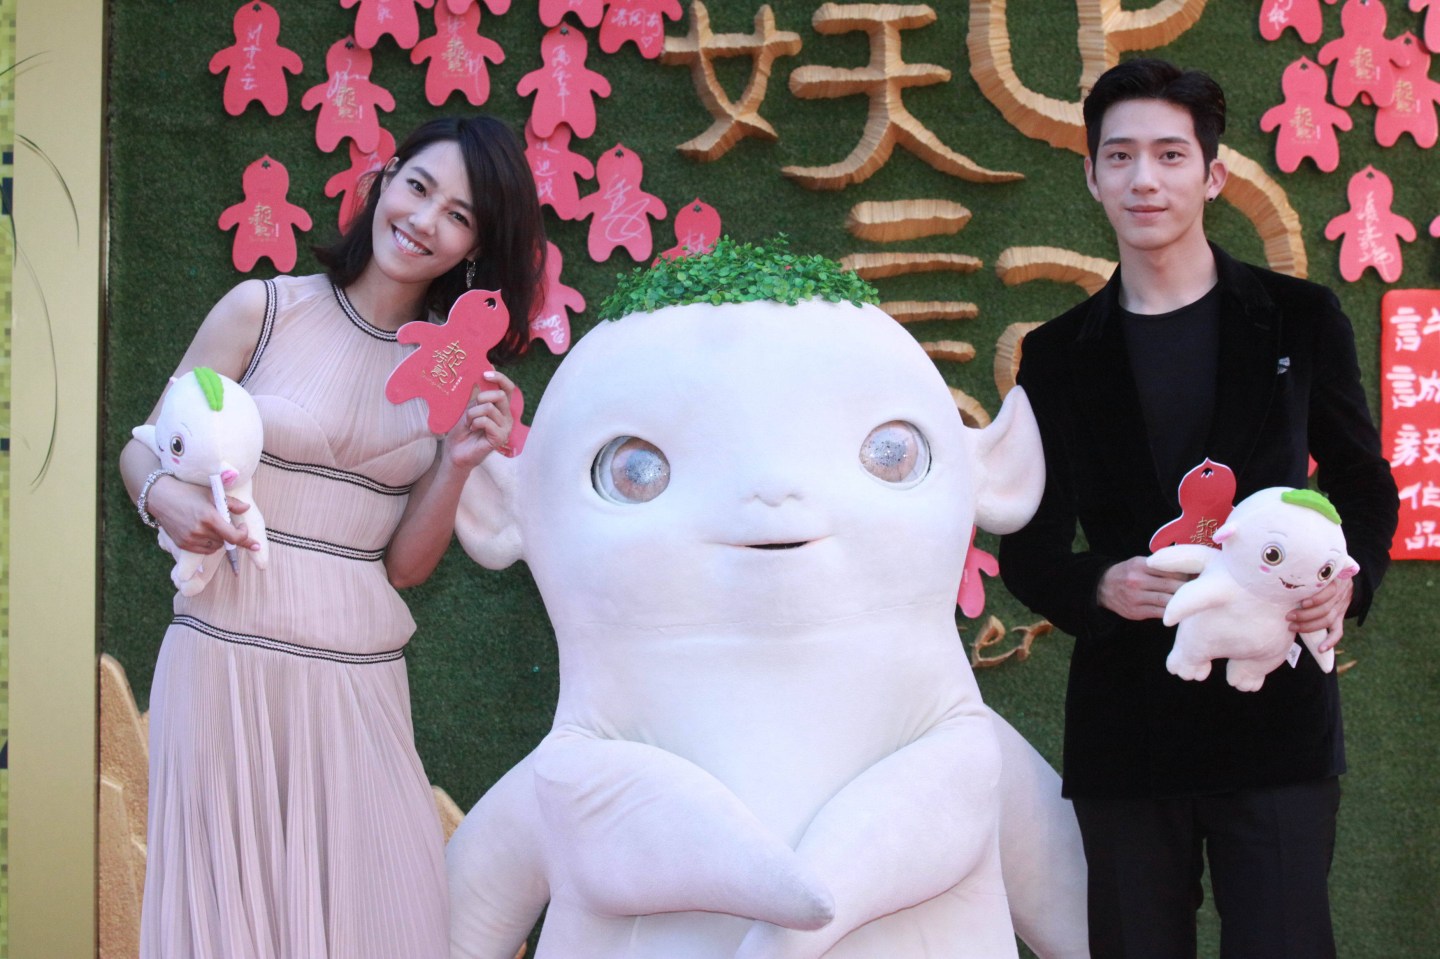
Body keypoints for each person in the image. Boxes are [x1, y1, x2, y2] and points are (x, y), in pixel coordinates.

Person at [119, 114, 547, 959]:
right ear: (385, 179)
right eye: (419, 187)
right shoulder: (263, 310)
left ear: (474, 248)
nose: (425, 220)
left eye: (458, 215)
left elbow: (403, 566)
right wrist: (162, 497)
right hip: (225, 657)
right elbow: (146, 445)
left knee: (385, 917)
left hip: (359, 677)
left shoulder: (449, 375)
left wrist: (458, 460)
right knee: (229, 923)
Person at [998, 59, 1398, 958]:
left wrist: (1350, 581)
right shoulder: (1057, 356)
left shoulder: (1299, 318)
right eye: (1122, 155)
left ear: (1212, 175)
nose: (1147, 179)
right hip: (1128, 729)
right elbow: (1027, 547)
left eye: (1171, 154)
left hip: (1279, 719)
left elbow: (1364, 481)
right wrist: (1101, 585)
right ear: (1092, 175)